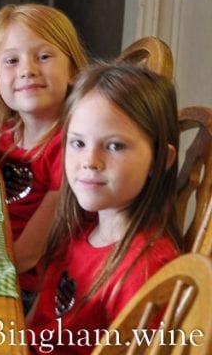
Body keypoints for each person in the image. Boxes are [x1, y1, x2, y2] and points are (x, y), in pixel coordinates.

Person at [27, 63, 181, 353]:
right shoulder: (80, 225)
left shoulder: (144, 272)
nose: (90, 161)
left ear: (161, 159)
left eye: (114, 146)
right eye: (78, 143)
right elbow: (35, 322)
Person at [0, 3, 89, 295]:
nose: (28, 70)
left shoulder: (72, 147)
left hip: (28, 288)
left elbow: (27, 256)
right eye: (12, 61)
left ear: (74, 72)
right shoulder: (0, 133)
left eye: (43, 56)